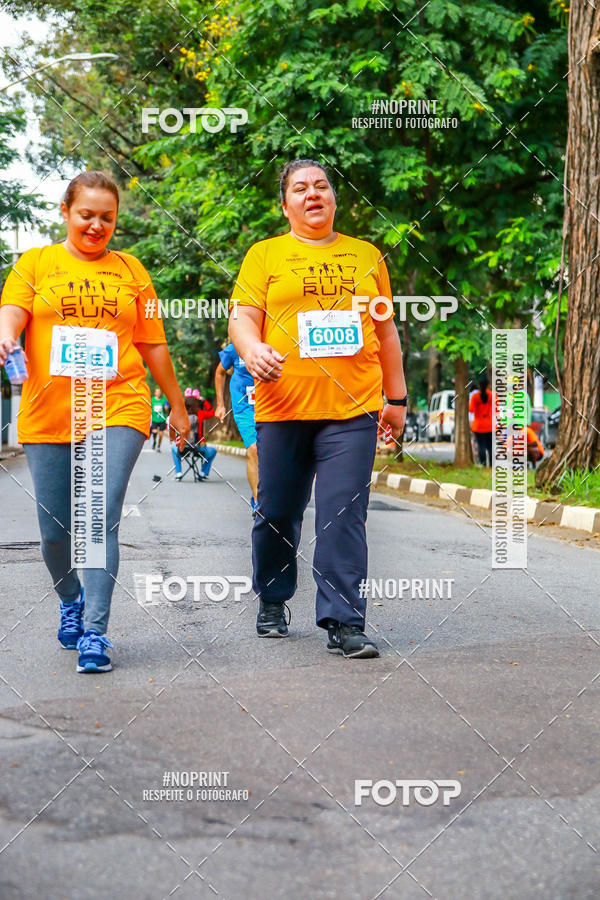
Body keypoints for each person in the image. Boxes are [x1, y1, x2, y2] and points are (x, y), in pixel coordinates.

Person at [0, 170, 190, 673]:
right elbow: (13, 312)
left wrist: (176, 404)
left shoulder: (132, 271)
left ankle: (96, 633)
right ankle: (70, 599)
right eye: (87, 215)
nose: (96, 226)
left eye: (107, 218)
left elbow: (152, 343)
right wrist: (7, 336)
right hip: (49, 412)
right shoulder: (35, 263)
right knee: (55, 532)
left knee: (95, 517)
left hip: (118, 403)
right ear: (66, 211)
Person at [229, 158, 407, 659]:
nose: (313, 193)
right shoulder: (265, 255)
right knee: (276, 512)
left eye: (322, 186)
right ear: (284, 205)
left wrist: (396, 400)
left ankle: (345, 622)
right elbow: (242, 318)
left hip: (352, 410)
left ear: (334, 199)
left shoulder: (366, 256)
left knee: (343, 513)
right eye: (300, 188)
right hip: (283, 407)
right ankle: (273, 596)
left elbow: (386, 332)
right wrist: (252, 349)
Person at [215, 342, 258, 516]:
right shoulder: (236, 347)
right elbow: (220, 372)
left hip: (270, 403)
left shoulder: (272, 341)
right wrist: (220, 404)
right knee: (254, 449)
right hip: (244, 406)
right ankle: (258, 502)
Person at [469, 377, 496, 466]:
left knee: (481, 446)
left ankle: (483, 464)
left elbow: (471, 410)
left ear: (479, 386)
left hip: (478, 426)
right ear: (488, 385)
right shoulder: (493, 396)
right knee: (491, 447)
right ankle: (492, 465)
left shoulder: (475, 397)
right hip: (491, 426)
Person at [150, 387, 168, 451]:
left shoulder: (164, 400)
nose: (159, 393)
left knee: (161, 434)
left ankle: (159, 446)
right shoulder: (152, 399)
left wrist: (166, 408)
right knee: (154, 432)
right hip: (154, 419)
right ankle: (154, 441)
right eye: (157, 392)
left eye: (160, 392)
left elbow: (166, 409)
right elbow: (149, 407)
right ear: (155, 393)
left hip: (162, 419)